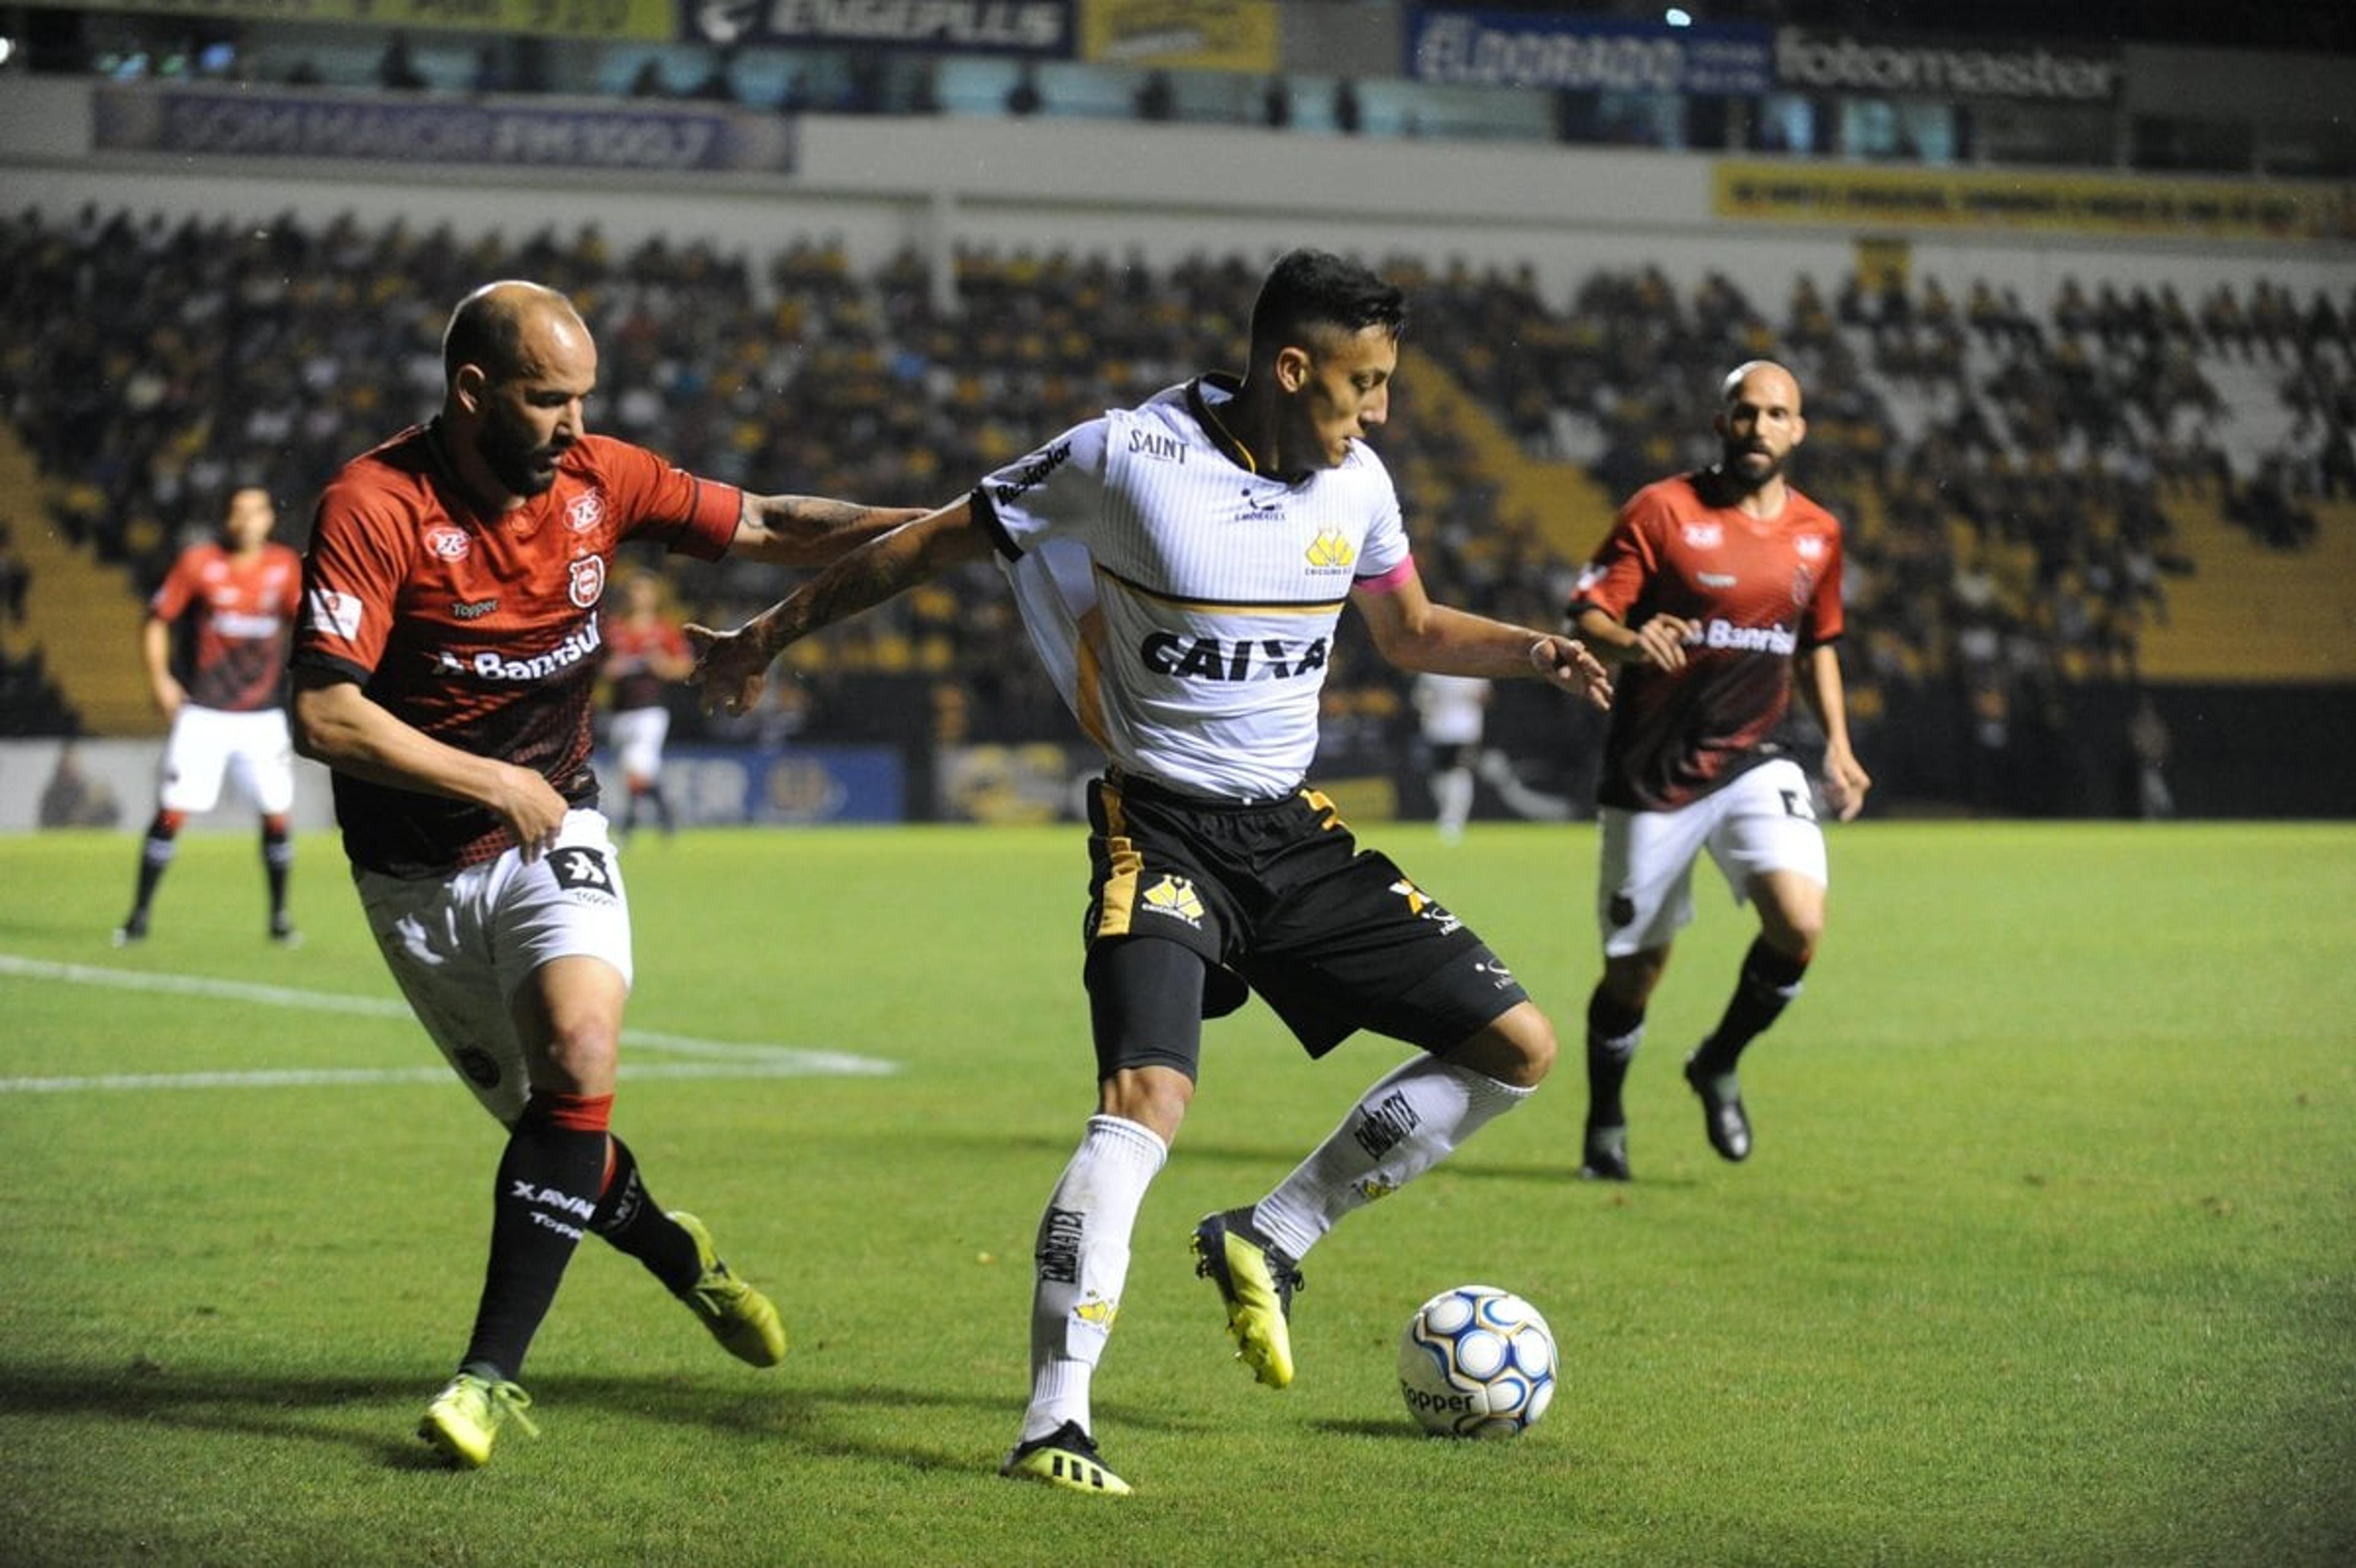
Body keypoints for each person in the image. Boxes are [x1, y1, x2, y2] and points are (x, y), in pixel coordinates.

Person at [689, 249, 1612, 1496]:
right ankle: (1053, 1421)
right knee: (1146, 1097)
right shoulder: (1124, 458)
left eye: (1389, 384)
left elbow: (1411, 632)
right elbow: (923, 547)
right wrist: (764, 638)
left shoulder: (1362, 484)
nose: (1380, 409)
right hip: (1162, 831)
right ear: (1292, 367)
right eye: (1364, 382)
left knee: (1519, 1048)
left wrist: (1536, 652)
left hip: (1294, 835)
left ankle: (1275, 1233)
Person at [288, 280, 926, 1468]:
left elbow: (771, 523)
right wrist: (486, 782)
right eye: (548, 401)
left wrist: (942, 522)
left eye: (586, 399)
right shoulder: (374, 507)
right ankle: (683, 1258)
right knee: (560, 1134)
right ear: (473, 392)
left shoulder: (599, 479)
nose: (576, 426)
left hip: (555, 832)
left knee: (581, 1055)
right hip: (414, 879)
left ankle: (483, 1381)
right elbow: (323, 715)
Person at [1563, 359, 1870, 1183]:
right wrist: (1630, 642)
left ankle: (1719, 1061)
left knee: (1800, 923)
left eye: (1777, 415)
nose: (1760, 428)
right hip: (1653, 771)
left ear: (1798, 430)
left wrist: (1838, 745)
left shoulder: (1819, 534)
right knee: (1636, 972)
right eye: (1746, 413)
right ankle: (1605, 1118)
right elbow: (1588, 613)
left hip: (1756, 759)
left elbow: (1818, 645)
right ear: (1722, 421)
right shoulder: (1662, 511)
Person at [114, 484, 304, 947]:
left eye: (256, 511)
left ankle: (279, 919)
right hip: (204, 714)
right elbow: (158, 618)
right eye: (238, 512)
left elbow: (308, 626)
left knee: (276, 815)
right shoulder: (199, 562)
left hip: (263, 717)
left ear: (268, 520)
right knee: (172, 811)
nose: (247, 521)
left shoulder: (285, 567)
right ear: (227, 519)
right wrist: (160, 678)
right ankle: (138, 918)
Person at [600, 571, 693, 838]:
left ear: (654, 596)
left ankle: (629, 825)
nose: (636, 596)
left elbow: (685, 667)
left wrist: (664, 666)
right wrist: (610, 669)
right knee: (634, 772)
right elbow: (599, 667)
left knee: (636, 763)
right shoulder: (614, 629)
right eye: (633, 590)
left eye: (642, 590)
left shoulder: (665, 630)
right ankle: (666, 811)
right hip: (619, 710)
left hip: (651, 710)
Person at [1411, 672, 1488, 842]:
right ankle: (1446, 815)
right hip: (1436, 729)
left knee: (1459, 772)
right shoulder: (1430, 669)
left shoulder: (1472, 668)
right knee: (1439, 775)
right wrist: (1427, 705)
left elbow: (1484, 696)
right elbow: (1420, 697)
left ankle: (1454, 819)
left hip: (1465, 729)